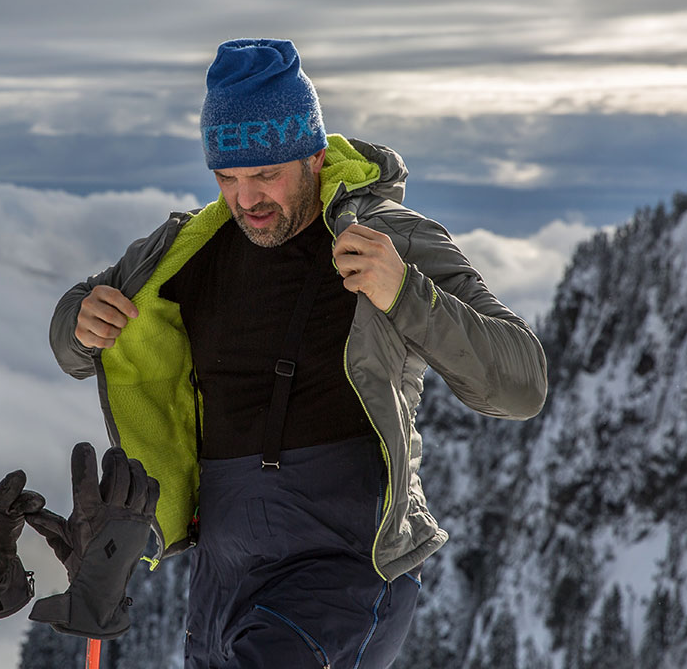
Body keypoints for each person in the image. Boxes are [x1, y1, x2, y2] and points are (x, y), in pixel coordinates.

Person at [48, 38, 548, 668]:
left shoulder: (389, 240)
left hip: (346, 568)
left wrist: (407, 295)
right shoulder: (187, 251)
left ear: (313, 156)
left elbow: (521, 383)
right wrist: (79, 323)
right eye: (227, 177)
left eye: (265, 174)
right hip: (219, 577)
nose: (245, 199)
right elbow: (74, 331)